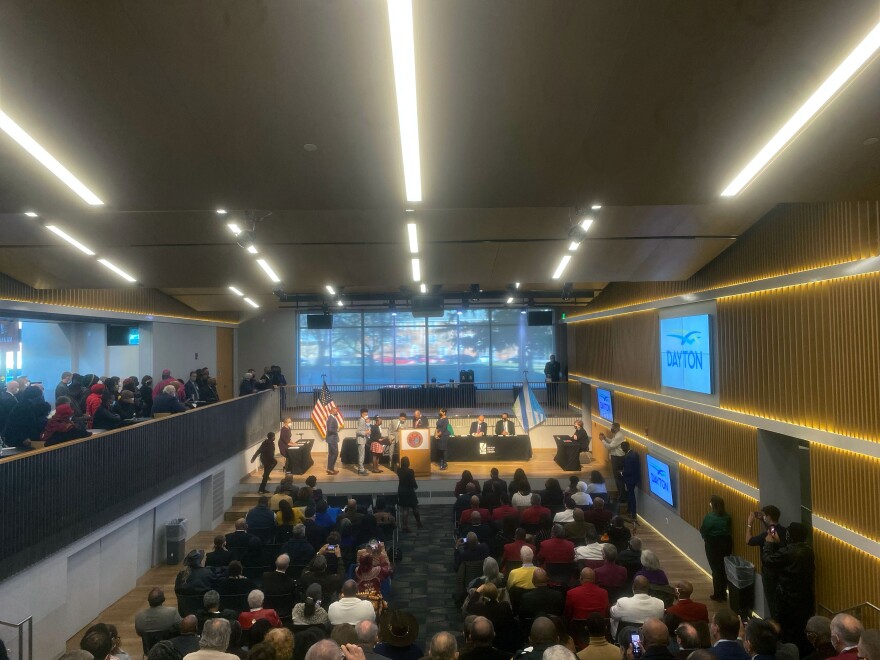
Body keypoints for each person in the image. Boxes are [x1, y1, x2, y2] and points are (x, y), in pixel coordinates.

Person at [763, 523, 816, 653]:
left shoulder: (788, 552)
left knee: (787, 630)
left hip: (787, 597)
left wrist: (768, 544)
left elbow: (768, 560)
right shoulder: (808, 550)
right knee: (802, 628)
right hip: (805, 596)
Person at [746, 505, 786, 618]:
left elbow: (748, 540)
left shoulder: (767, 535)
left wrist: (750, 523)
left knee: (772, 601)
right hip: (783, 571)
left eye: (764, 516)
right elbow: (772, 530)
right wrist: (764, 521)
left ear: (768, 516)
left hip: (769, 573)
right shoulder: (784, 530)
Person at [701, 495, 733, 602]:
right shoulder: (727, 516)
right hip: (726, 543)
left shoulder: (709, 517)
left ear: (712, 505)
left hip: (713, 544)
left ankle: (717, 595)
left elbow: (703, 530)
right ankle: (724, 593)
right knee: (723, 569)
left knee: (715, 570)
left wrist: (706, 539)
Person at [599, 423, 625, 502]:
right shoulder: (617, 435)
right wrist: (605, 438)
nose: (611, 429)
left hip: (618, 459)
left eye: (612, 428)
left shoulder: (619, 436)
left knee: (618, 478)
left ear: (617, 428)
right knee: (616, 477)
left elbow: (610, 446)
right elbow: (612, 442)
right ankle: (619, 494)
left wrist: (602, 440)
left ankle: (621, 495)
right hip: (616, 458)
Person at [397, 456, 423, 531]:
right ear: (408, 463)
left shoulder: (398, 470)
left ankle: (404, 526)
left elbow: (398, 467)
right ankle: (418, 522)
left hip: (401, 491)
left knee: (405, 509)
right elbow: (412, 481)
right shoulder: (410, 471)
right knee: (415, 507)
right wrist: (415, 486)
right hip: (409, 491)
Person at [621, 441, 641, 520]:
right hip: (635, 478)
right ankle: (629, 510)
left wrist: (622, 473)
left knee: (631, 496)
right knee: (630, 495)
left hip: (630, 479)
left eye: (622, 448)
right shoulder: (635, 453)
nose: (622, 450)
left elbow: (629, 471)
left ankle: (633, 513)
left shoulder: (628, 457)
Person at [356, 408, 370, 476]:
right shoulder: (361, 420)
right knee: (361, 456)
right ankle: (361, 470)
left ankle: (361, 468)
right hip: (361, 440)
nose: (366, 415)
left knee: (361, 455)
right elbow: (358, 431)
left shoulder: (363, 420)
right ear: (362, 414)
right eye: (365, 414)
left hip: (362, 440)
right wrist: (366, 432)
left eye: (367, 414)